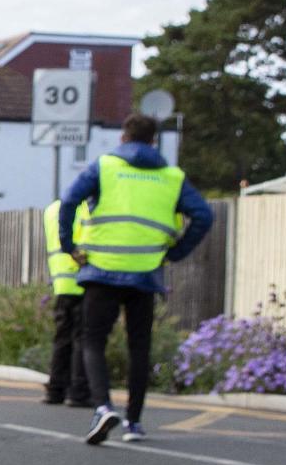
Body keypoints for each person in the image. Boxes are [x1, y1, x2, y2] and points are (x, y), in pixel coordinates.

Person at [60, 113, 213, 445]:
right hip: (145, 272)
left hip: (101, 269)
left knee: (93, 340)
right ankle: (134, 423)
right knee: (139, 347)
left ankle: (102, 407)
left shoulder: (104, 167)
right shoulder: (172, 176)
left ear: (122, 138)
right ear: (154, 141)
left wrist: (68, 245)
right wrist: (176, 252)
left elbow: (70, 199)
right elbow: (204, 214)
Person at [41, 198, 91, 407]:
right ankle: (78, 392)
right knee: (82, 338)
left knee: (62, 338)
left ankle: (55, 390)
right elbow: (89, 240)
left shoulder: (51, 209)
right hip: (82, 277)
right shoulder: (86, 209)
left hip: (61, 280)